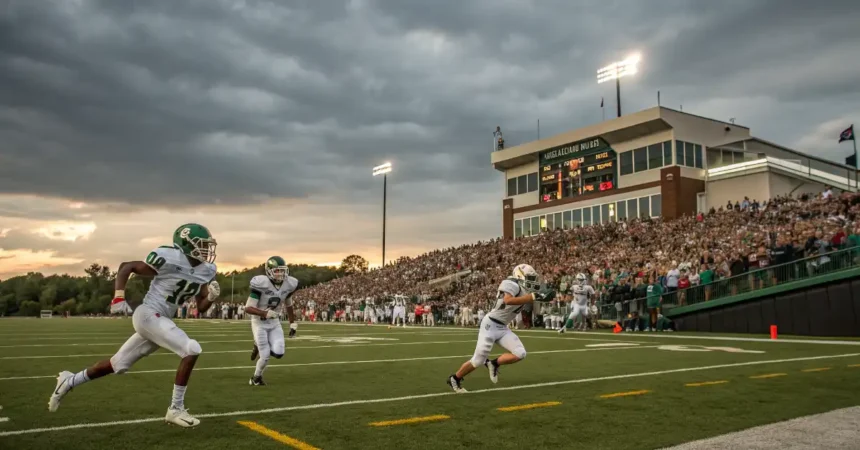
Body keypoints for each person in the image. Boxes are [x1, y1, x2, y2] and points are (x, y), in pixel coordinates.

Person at [48, 223, 220, 427]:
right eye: (201, 245)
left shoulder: (207, 270)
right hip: (147, 314)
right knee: (191, 348)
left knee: (117, 365)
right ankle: (175, 409)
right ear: (185, 244)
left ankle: (69, 381)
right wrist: (118, 297)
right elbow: (126, 267)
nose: (206, 250)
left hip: (161, 319)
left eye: (208, 245)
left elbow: (200, 307)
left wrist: (210, 297)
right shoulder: (169, 256)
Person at [447, 264, 554, 393]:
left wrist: (543, 297)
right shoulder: (511, 282)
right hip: (490, 325)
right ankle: (455, 378)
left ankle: (494, 363)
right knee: (478, 360)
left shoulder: (524, 288)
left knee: (520, 353)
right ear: (520, 275)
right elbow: (508, 300)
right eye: (529, 277)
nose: (532, 280)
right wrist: (534, 297)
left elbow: (530, 297)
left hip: (502, 327)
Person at [245, 256, 299, 386]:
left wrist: (292, 323)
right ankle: (256, 378)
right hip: (259, 323)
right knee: (265, 356)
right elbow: (248, 308)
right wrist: (264, 313)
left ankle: (258, 345)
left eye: (282, 270)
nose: (280, 274)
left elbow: (289, 305)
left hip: (274, 323)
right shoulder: (261, 284)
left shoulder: (289, 284)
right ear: (269, 271)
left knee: (279, 352)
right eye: (277, 271)